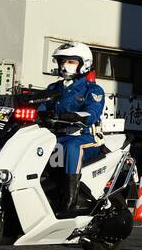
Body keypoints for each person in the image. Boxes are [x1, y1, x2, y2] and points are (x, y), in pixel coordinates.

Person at [38, 42, 107, 217]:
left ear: (84, 64)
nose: (64, 66)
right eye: (62, 61)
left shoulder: (93, 89)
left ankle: (71, 201)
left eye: (71, 62)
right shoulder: (53, 89)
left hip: (85, 138)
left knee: (71, 147)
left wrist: (75, 116)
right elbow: (39, 109)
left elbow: (92, 114)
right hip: (55, 138)